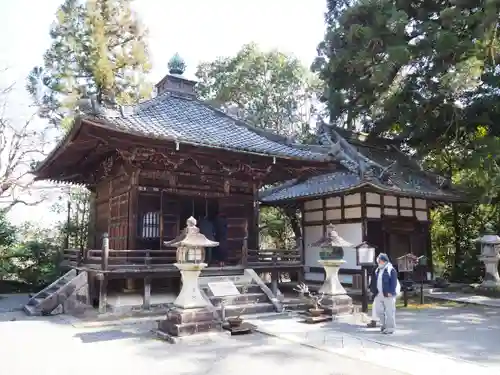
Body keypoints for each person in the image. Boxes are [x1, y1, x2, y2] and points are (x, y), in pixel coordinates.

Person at [369, 253, 400, 334]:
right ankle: (383, 326)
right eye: (378, 261)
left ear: (384, 261)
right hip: (379, 294)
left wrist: (391, 292)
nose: (378, 262)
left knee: (390, 312)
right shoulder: (377, 270)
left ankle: (390, 328)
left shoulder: (390, 269)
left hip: (388, 294)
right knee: (379, 311)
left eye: (380, 260)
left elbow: (394, 282)